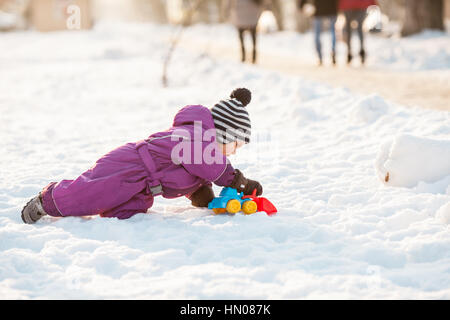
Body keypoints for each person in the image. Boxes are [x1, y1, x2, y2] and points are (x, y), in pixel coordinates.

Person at [21, 88, 263, 224]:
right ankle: (47, 201)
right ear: (222, 134)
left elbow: (190, 172)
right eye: (236, 145)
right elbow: (209, 165)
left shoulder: (200, 150)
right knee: (90, 194)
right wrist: (237, 181)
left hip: (144, 186)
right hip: (127, 167)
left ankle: (100, 218)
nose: (235, 152)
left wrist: (201, 193)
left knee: (124, 213)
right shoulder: (195, 139)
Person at [299, 0, 339, 66]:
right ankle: (333, 51)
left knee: (317, 34)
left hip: (318, 10)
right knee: (332, 32)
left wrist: (301, 5)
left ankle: (320, 56)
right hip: (331, 9)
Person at [339, 0, 377, 65]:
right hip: (361, 4)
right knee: (359, 28)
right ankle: (361, 51)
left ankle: (349, 52)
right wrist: (373, 3)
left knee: (349, 29)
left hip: (348, 4)